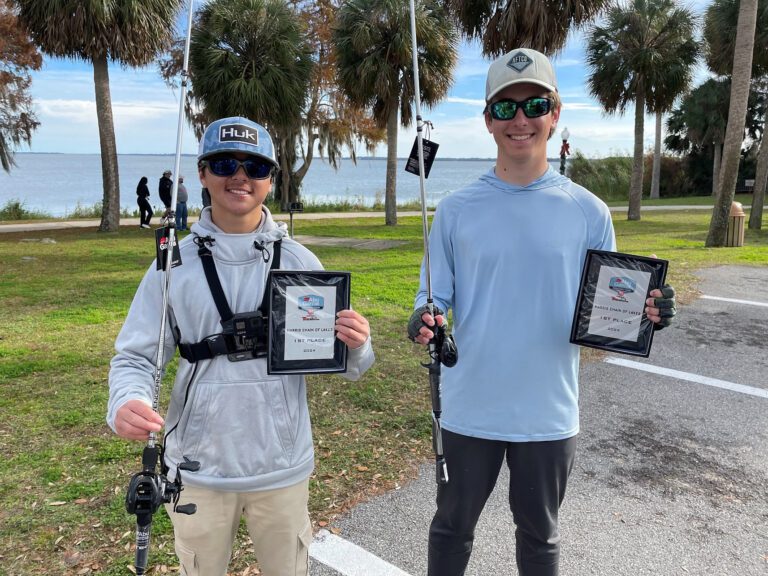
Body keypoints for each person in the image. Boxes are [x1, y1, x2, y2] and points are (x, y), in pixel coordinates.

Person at [407, 48, 676, 576]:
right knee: (451, 528)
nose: (520, 120)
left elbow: (606, 319)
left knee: (539, 537)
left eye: (534, 104)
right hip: (469, 407)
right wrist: (424, 319)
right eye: (505, 109)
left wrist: (646, 313)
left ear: (555, 114)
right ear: (488, 121)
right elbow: (430, 298)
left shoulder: (589, 212)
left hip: (549, 412)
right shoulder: (456, 210)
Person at [108, 116, 375, 576]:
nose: (240, 176)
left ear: (271, 179)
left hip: (282, 467)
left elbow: (348, 365)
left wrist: (356, 344)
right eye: (225, 163)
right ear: (203, 174)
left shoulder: (300, 262)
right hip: (197, 470)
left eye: (254, 166)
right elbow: (135, 356)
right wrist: (126, 400)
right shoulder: (172, 266)